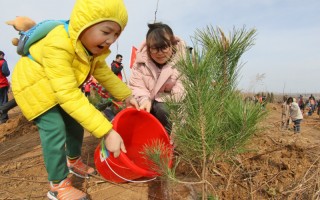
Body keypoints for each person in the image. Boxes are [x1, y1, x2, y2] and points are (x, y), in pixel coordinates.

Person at [11, 0, 139, 199]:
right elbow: (68, 94)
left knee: (75, 122)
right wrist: (107, 131)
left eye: (116, 34)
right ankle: (58, 185)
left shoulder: (92, 51)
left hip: (58, 86)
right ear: (83, 25)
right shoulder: (59, 43)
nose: (110, 40)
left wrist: (127, 96)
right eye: (106, 32)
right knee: (54, 128)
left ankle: (73, 161)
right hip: (34, 86)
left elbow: (105, 75)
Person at [129, 22, 186, 134]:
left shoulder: (182, 62)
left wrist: (175, 114)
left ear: (172, 45)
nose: (159, 53)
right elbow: (136, 86)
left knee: (163, 109)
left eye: (164, 47)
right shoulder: (140, 63)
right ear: (149, 48)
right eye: (154, 48)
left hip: (174, 108)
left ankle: (167, 141)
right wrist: (144, 99)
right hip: (147, 104)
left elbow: (183, 87)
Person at [0, 51, 10, 124]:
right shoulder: (3, 62)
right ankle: (3, 118)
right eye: (2, 55)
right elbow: (6, 72)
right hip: (2, 84)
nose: (3, 57)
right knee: (4, 101)